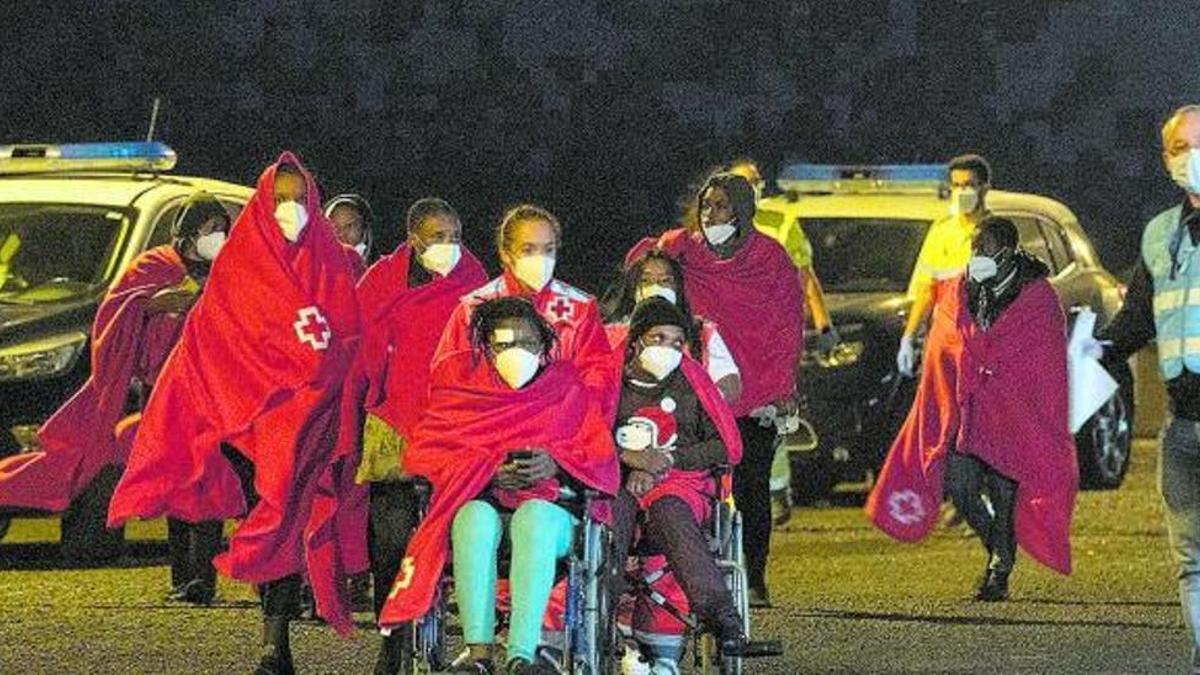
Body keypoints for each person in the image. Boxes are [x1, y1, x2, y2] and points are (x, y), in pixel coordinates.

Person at [107, 154, 361, 675]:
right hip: (250, 419)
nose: (290, 209)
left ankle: (280, 636)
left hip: (311, 415)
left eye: (298, 198)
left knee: (288, 515)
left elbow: (350, 333)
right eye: (279, 199)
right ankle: (273, 639)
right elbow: (207, 337)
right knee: (269, 515)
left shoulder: (331, 261)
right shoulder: (240, 261)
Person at [0, 191, 228, 592]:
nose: (219, 237)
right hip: (161, 391)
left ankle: (202, 579)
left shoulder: (227, 271)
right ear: (188, 231)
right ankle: (185, 579)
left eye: (224, 230)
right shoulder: (157, 265)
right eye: (212, 229)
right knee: (177, 482)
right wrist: (151, 304)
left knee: (205, 478)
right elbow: (115, 309)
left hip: (212, 392)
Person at [378, 297, 619, 675]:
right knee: (472, 517)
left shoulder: (567, 388)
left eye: (526, 343)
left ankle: (521, 655)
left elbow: (599, 455)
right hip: (484, 502)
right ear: (486, 347)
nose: (516, 352)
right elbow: (428, 454)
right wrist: (487, 470)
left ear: (543, 346)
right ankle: (479, 654)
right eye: (504, 344)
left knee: (533, 518)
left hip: (551, 512)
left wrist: (555, 462)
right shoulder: (461, 390)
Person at [867, 216, 1076, 601]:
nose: (979, 257)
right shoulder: (959, 292)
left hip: (1012, 416)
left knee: (1004, 492)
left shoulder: (1037, 297)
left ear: (1010, 252)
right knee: (961, 489)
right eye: (975, 249)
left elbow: (1045, 361)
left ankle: (999, 569)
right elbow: (943, 342)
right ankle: (1000, 546)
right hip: (966, 413)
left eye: (988, 250)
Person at [627, 172, 804, 608]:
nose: (712, 214)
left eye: (723, 206)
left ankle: (755, 575)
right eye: (707, 205)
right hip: (696, 384)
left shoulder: (771, 258)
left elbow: (788, 326)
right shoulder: (682, 248)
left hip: (757, 388)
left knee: (751, 485)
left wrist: (782, 388)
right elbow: (641, 269)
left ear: (743, 210)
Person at [336, 197, 487, 674]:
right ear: (414, 239)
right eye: (438, 238)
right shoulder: (382, 278)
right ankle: (393, 635)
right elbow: (363, 347)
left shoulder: (474, 279)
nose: (449, 247)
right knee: (392, 537)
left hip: (456, 419)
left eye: (455, 237)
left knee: (465, 526)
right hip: (396, 417)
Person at [1092, 104, 1200, 671]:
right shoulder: (1160, 233)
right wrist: (1095, 351)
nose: (1192, 158)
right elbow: (1138, 319)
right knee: (1192, 560)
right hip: (1182, 427)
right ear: (1166, 161)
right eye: (1181, 149)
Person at [608, 298, 753, 672]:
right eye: (658, 338)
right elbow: (585, 436)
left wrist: (666, 462)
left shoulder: (692, 380)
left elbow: (727, 446)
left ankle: (722, 617)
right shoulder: (609, 380)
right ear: (637, 341)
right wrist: (630, 459)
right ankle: (603, 614)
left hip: (680, 485)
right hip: (620, 483)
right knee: (613, 511)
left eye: (677, 342)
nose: (668, 349)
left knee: (669, 509)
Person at [730, 158, 839, 526]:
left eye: (755, 182)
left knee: (767, 415)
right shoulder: (714, 227)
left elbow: (806, 278)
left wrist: (824, 327)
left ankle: (775, 489)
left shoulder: (780, 224)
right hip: (728, 339)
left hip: (772, 339)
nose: (752, 188)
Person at [436, 203, 616, 417]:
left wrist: (569, 409)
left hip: (559, 425)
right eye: (528, 250)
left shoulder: (580, 309)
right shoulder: (473, 308)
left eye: (548, 250)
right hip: (488, 424)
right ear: (505, 253)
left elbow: (598, 374)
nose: (540, 258)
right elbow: (448, 377)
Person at [896, 154, 993, 377]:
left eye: (968, 185)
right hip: (945, 338)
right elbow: (926, 290)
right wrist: (908, 337)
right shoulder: (942, 232)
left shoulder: (997, 233)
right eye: (956, 185)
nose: (961, 192)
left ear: (984, 189)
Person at [600, 248, 741, 401]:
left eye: (665, 281)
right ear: (632, 288)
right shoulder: (609, 334)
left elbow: (730, 386)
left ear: (678, 288)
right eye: (645, 281)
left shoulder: (700, 332)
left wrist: (694, 402)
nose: (656, 287)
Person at [325, 192, 373, 277]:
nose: (342, 233)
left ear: (363, 227)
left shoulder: (381, 269)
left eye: (349, 226)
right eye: (335, 228)